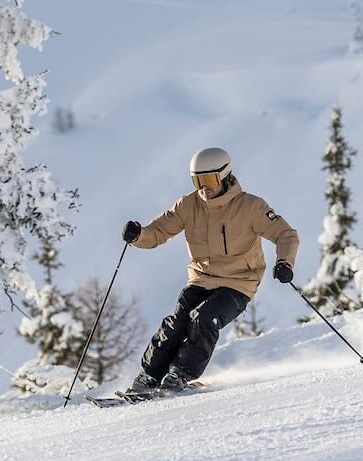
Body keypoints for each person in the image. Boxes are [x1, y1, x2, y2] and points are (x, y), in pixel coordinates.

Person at [116, 147, 300, 399]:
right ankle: (149, 375)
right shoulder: (188, 205)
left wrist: (285, 263)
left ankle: (180, 373)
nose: (204, 187)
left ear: (224, 177)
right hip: (201, 278)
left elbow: (285, 234)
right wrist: (139, 235)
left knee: (204, 318)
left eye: (210, 180)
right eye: (198, 181)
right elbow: (158, 231)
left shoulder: (250, 206)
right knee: (177, 321)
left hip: (239, 282)